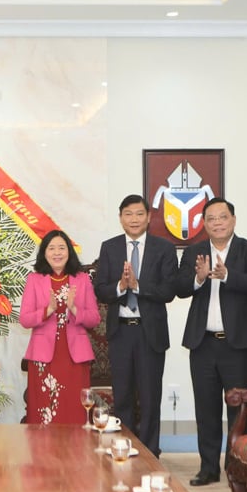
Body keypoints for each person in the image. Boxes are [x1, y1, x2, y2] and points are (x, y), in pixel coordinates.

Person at [175, 198, 247, 486]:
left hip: (238, 344)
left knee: (239, 411)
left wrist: (228, 276)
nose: (217, 223)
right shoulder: (195, 252)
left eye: (222, 217)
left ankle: (238, 468)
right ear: (204, 223)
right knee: (206, 408)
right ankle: (208, 467)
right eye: (211, 218)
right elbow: (179, 288)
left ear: (233, 220)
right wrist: (198, 279)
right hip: (203, 343)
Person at [95, 194, 177, 456]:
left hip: (149, 332)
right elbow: (100, 289)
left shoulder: (163, 248)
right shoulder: (109, 247)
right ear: (120, 218)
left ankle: (151, 453)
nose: (134, 219)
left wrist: (138, 287)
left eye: (139, 213)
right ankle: (124, 448)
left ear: (148, 217)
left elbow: (168, 290)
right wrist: (121, 286)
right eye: (128, 214)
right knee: (123, 396)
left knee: (151, 396)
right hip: (121, 332)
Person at [19, 230, 101, 424]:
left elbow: (94, 318)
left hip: (75, 358)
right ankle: (42, 454)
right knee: (43, 413)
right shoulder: (35, 279)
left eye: (62, 248)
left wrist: (74, 308)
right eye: (52, 248)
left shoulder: (81, 279)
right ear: (44, 253)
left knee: (73, 411)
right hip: (44, 357)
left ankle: (75, 453)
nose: (57, 253)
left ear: (69, 252)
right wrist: (47, 311)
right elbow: (25, 319)